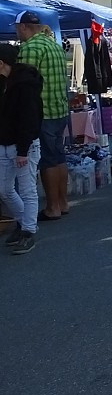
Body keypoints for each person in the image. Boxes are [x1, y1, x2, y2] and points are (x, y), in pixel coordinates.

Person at [15, 11, 69, 220]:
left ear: (23, 27)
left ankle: (53, 207)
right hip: (59, 109)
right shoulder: (53, 45)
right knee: (58, 156)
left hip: (43, 112)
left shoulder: (30, 49)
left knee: (47, 160)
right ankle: (63, 203)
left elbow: (23, 85)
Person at [0, 43, 43, 255]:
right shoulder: (6, 83)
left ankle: (28, 231)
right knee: (5, 189)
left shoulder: (25, 86)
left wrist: (23, 150)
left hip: (23, 144)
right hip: (5, 143)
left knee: (27, 190)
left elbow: (29, 119)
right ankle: (24, 223)